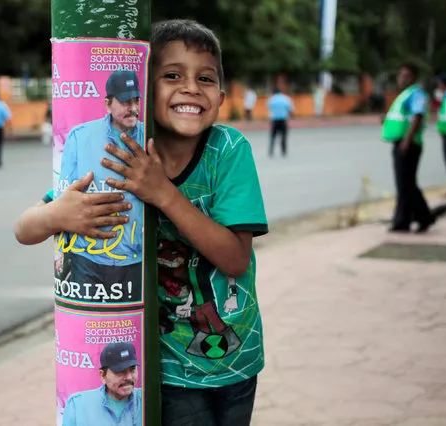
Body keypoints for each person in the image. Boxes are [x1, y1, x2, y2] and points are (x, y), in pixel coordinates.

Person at [15, 19, 268, 426]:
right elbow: (23, 229)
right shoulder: (117, 158)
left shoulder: (228, 150)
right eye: (172, 76)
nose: (190, 87)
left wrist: (163, 193)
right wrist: (54, 215)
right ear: (145, 94)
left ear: (221, 97)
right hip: (165, 368)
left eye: (205, 78)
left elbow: (236, 259)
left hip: (234, 360)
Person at [55, 69, 145, 298]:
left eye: (136, 101)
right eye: (125, 102)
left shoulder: (151, 139)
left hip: (137, 259)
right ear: (108, 104)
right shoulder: (80, 137)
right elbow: (62, 200)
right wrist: (61, 254)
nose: (133, 108)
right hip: (88, 259)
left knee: (133, 328)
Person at [381, 63, 434, 234]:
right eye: (400, 75)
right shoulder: (404, 95)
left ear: (412, 77)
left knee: (407, 183)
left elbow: (417, 118)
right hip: (401, 142)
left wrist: (407, 140)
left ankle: (422, 217)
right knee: (404, 184)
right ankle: (403, 220)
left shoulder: (416, 94)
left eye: (405, 75)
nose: (401, 79)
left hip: (409, 144)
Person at [62, 342, 142, 426]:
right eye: (120, 371)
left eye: (132, 369)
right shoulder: (77, 405)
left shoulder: (149, 400)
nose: (129, 377)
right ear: (103, 375)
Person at [266, 86, 293, 157]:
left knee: (273, 136)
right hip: (283, 120)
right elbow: (290, 109)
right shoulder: (286, 98)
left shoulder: (271, 99)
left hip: (274, 120)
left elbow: (269, 109)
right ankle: (283, 151)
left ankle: (271, 151)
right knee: (283, 136)